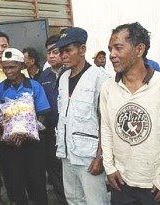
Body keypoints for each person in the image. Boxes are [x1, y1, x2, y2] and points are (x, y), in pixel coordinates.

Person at [101, 22, 160, 205]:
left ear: (139, 49)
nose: (112, 55)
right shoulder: (108, 87)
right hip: (121, 183)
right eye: (110, 49)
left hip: (156, 185)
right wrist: (109, 168)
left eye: (118, 48)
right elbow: (106, 129)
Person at [55, 27, 110, 205]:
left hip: (90, 155)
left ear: (82, 49)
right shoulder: (63, 78)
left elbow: (106, 121)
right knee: (74, 200)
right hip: (67, 153)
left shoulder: (99, 78)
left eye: (68, 50)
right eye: (61, 51)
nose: (63, 55)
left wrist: (100, 157)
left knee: (96, 201)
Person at [0, 48, 50, 205]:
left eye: (12, 67)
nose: (8, 71)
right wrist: (9, 135)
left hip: (33, 145)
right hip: (9, 145)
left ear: (21, 66)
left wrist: (27, 132)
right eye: (5, 67)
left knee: (37, 185)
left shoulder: (34, 86)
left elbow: (43, 114)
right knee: (15, 187)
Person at [37, 34, 67, 204]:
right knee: (54, 169)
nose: (52, 55)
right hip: (49, 132)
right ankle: (62, 200)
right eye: (49, 52)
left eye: (56, 51)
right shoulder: (44, 76)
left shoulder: (71, 72)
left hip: (70, 131)